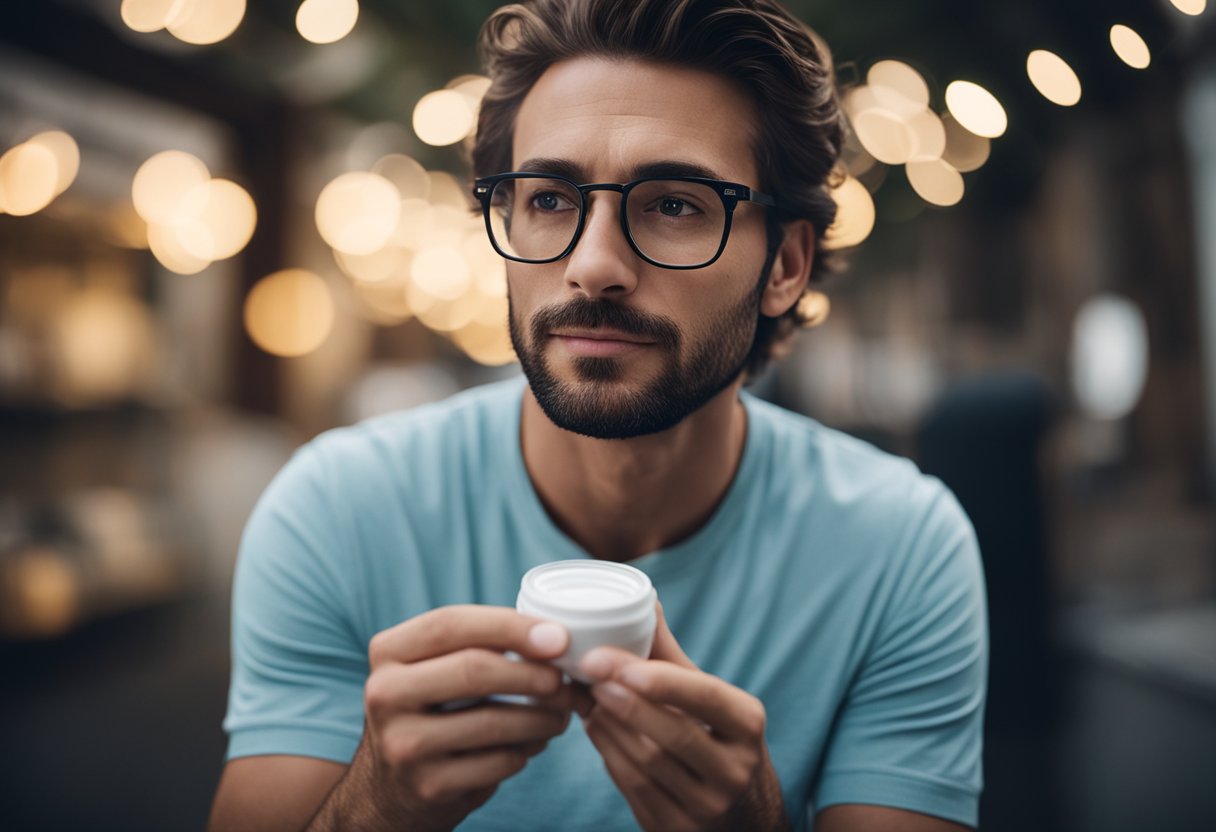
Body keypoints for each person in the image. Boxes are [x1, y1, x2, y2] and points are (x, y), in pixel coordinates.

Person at [207, 1, 988, 830]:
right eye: (548, 198)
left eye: (676, 204)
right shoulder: (338, 510)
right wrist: (378, 805)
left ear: (786, 265)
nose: (593, 266)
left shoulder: (901, 548)